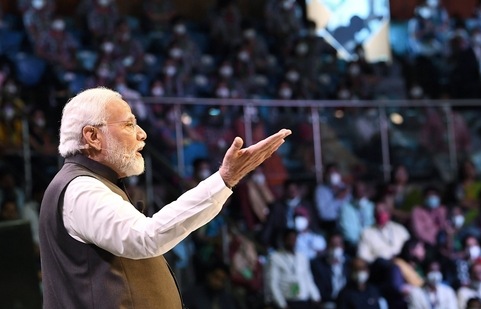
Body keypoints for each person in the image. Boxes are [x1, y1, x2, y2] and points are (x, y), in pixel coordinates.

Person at [38, 87, 292, 308]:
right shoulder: (81, 188)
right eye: (129, 124)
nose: (142, 134)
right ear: (92, 136)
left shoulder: (88, 184)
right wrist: (223, 180)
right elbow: (145, 237)